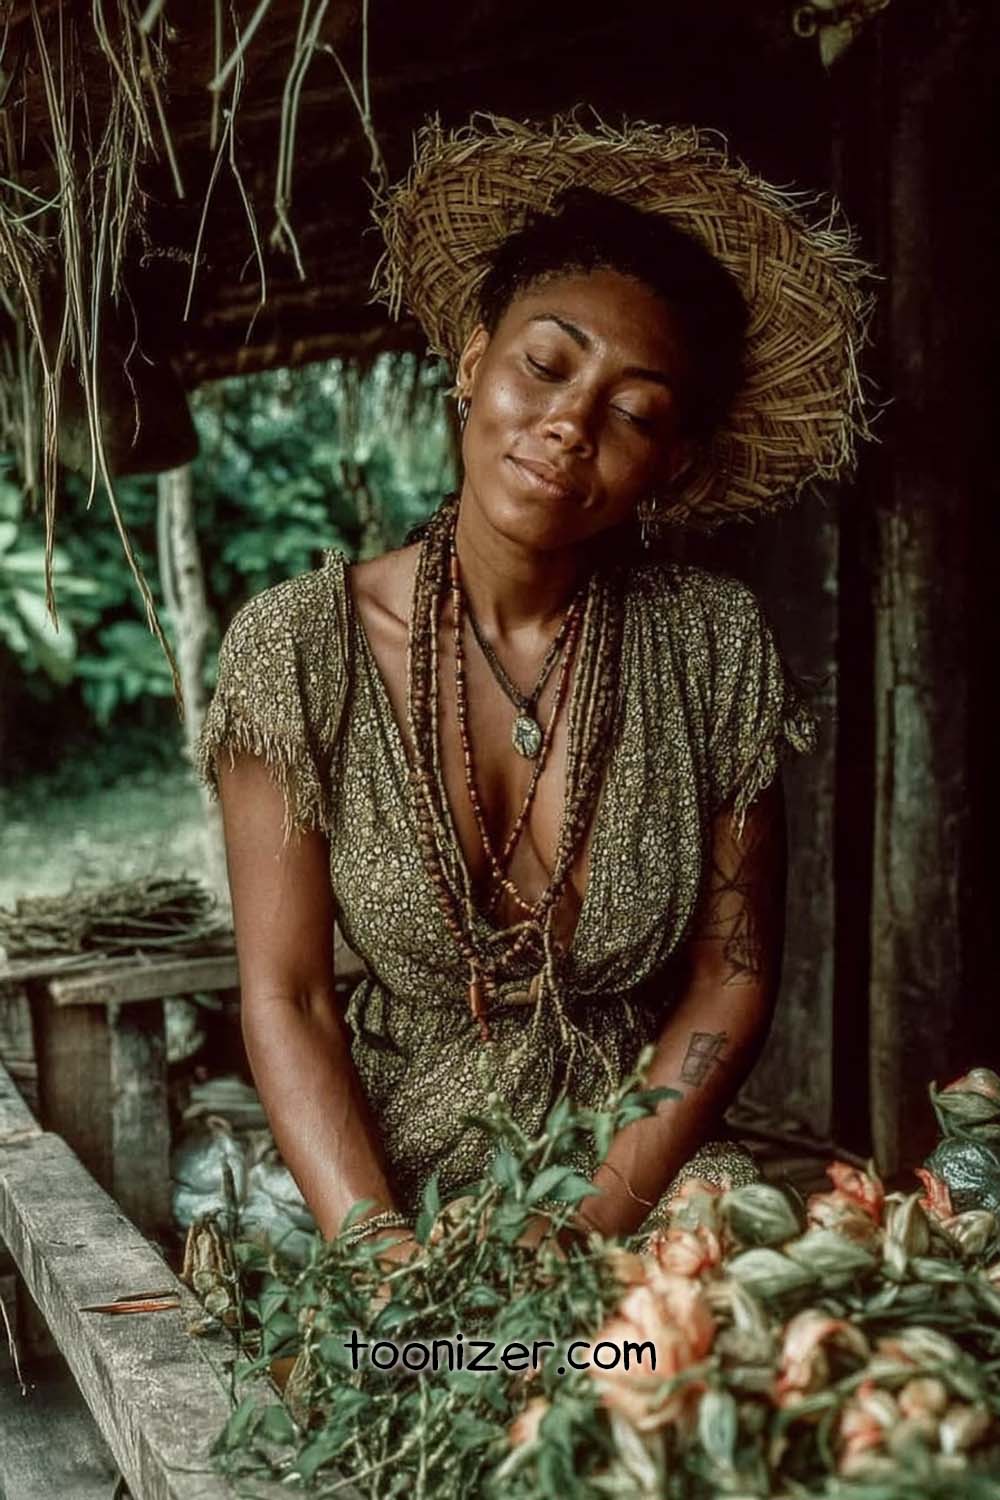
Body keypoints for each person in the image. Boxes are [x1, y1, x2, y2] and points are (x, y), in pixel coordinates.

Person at [196, 115, 871, 1275]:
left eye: (635, 411)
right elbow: (291, 998)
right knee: (408, 1402)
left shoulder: (710, 646)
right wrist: (385, 1261)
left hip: (642, 1169)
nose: (569, 424)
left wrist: (580, 1228)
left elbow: (730, 978)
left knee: (696, 1369)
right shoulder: (297, 650)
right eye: (545, 366)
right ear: (470, 364)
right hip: (385, 1175)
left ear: (673, 463)